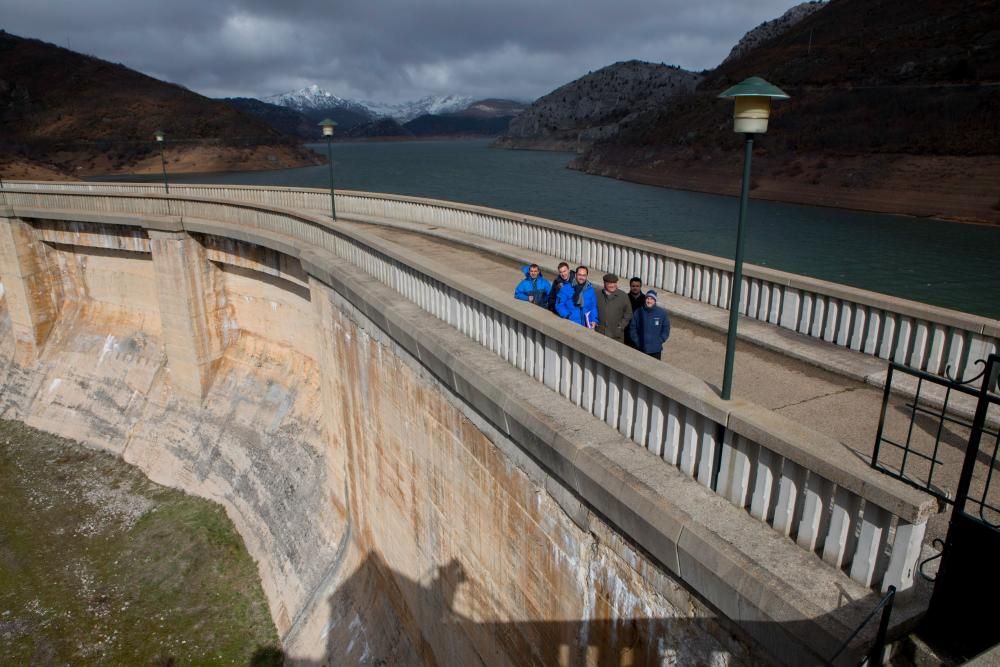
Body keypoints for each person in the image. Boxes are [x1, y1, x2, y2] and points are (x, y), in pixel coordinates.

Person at [628, 290, 671, 359]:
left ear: (655, 301)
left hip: (655, 350)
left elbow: (666, 328)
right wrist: (637, 341)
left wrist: (660, 340)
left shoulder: (662, 313)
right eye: (647, 298)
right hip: (641, 348)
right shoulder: (638, 312)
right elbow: (632, 328)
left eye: (651, 299)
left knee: (654, 369)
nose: (649, 301)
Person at [595, 273, 631, 343]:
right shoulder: (597, 295)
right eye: (610, 283)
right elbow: (592, 310)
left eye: (614, 283)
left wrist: (621, 327)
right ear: (604, 283)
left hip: (616, 336)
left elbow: (628, 313)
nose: (612, 285)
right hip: (600, 333)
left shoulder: (623, 296)